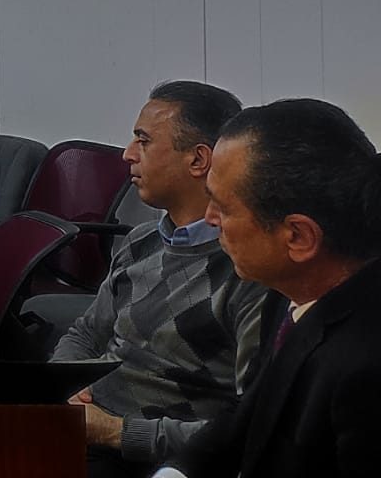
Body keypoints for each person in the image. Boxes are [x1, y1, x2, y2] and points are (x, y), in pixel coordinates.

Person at [155, 99, 381, 478]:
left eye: (223, 207)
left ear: (298, 237)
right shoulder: (288, 290)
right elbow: (255, 409)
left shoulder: (366, 368)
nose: (209, 219)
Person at [54, 82, 268, 478]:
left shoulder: (247, 272)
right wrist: (63, 389)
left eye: (144, 141)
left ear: (198, 159)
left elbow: (245, 427)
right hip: (84, 428)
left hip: (147, 458)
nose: (127, 154)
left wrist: (114, 431)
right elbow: (85, 333)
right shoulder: (141, 242)